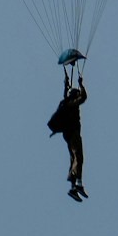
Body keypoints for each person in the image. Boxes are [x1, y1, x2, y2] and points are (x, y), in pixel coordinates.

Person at [47, 70, 88, 200]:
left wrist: (66, 83)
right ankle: (78, 184)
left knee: (73, 158)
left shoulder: (64, 102)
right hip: (73, 133)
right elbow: (84, 97)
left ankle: (73, 188)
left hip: (67, 134)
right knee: (78, 157)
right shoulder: (72, 104)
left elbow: (66, 93)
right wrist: (81, 84)